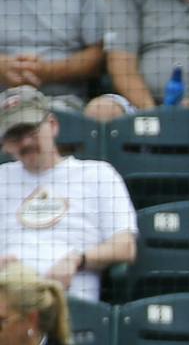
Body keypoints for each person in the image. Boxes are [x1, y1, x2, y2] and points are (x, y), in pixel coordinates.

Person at [0, 88, 134, 299]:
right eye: (15, 136)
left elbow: (125, 246)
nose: (25, 142)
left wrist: (77, 260)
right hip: (8, 301)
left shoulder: (98, 173)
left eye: (30, 130)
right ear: (5, 144)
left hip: (71, 298)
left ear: (52, 125)